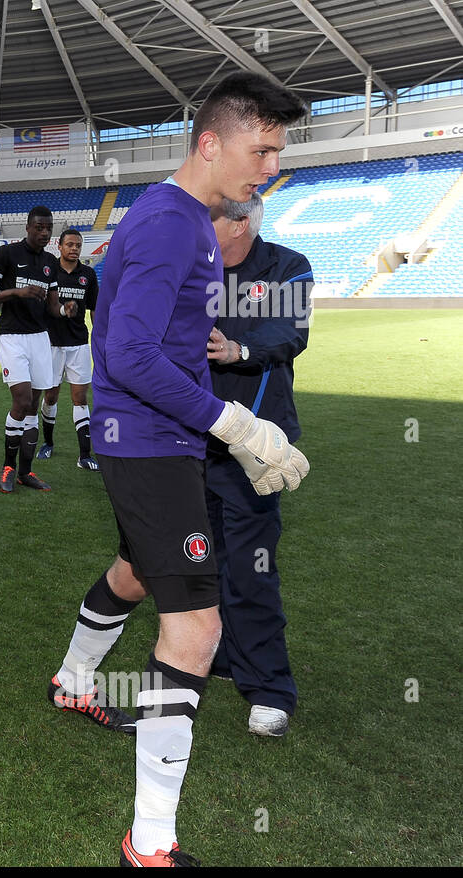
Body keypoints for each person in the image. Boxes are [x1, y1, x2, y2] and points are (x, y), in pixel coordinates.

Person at [43, 71, 310, 867]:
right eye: (261, 150)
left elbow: (158, 342)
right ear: (211, 142)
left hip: (158, 438)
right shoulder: (173, 223)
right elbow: (124, 352)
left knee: (134, 568)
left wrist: (231, 433)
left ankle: (74, 679)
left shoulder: (177, 218)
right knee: (195, 629)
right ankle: (149, 845)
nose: (268, 168)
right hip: (150, 442)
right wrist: (235, 422)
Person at [206, 193, 311, 737]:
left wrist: (239, 350)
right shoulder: (190, 269)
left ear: (241, 223)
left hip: (253, 449)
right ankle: (221, 656)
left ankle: (271, 687)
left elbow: (290, 333)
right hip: (187, 442)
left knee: (251, 566)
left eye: (213, 220)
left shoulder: (286, 267)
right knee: (197, 563)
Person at [0, 207, 76, 493]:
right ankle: (8, 466)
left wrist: (66, 310)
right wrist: (16, 292)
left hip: (39, 339)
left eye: (49, 228)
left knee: (33, 406)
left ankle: (25, 472)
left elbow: (53, 308)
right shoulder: (8, 255)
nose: (44, 233)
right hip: (11, 336)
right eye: (39, 227)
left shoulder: (49, 263)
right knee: (20, 401)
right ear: (28, 227)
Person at [38, 227, 100, 470]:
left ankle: (84, 455)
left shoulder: (89, 275)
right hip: (51, 344)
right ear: (60, 247)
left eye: (78, 245)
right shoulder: (49, 271)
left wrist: (100, 337)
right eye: (70, 244)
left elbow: (95, 307)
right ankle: (48, 442)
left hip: (78, 345)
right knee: (51, 396)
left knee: (80, 397)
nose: (74, 249)